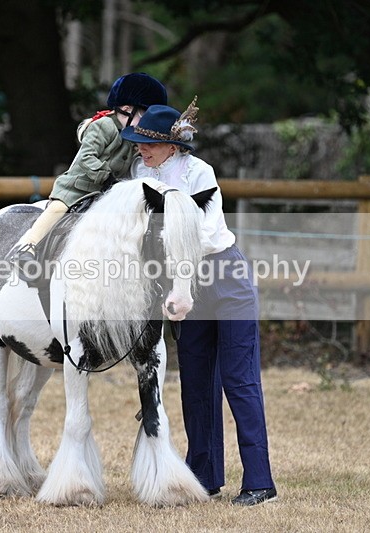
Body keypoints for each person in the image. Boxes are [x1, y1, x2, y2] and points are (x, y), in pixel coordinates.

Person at [121, 99, 277, 506]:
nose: (141, 149)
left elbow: (203, 235)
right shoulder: (141, 174)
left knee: (239, 380)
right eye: (138, 144)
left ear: (173, 145)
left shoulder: (199, 173)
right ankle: (204, 476)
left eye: (148, 144)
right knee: (195, 382)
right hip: (181, 281)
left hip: (223, 278)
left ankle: (260, 482)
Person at [7, 72, 167, 274]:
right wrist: (106, 177)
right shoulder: (104, 126)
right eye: (144, 115)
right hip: (78, 186)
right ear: (127, 109)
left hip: (107, 192)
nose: (146, 123)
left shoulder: (131, 134)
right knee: (57, 209)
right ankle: (26, 246)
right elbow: (86, 157)